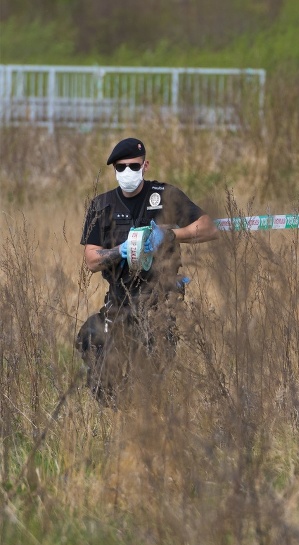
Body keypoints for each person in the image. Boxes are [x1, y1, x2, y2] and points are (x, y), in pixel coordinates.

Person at [78, 137, 218, 406]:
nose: (127, 172)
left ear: (146, 166)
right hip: (120, 299)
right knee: (99, 363)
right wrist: (119, 250)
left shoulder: (164, 196)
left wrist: (172, 235)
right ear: (114, 170)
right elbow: (91, 259)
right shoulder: (102, 205)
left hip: (160, 301)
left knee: (150, 376)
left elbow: (209, 228)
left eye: (134, 166)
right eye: (121, 167)